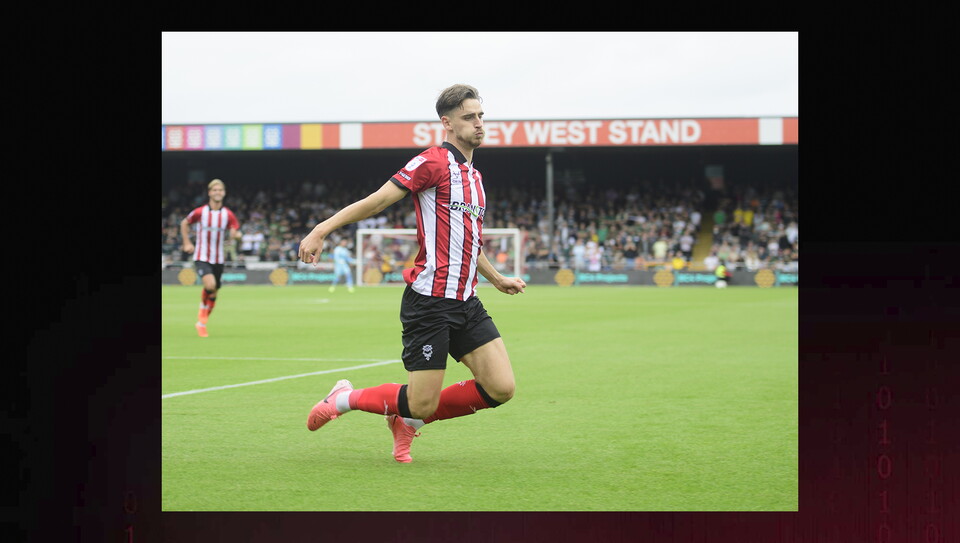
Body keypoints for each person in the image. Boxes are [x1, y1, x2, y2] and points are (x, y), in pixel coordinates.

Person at [298, 84, 527, 463]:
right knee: (421, 400)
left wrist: (496, 277)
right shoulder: (432, 162)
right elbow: (377, 201)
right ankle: (343, 398)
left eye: (481, 115)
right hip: (430, 302)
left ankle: (408, 423)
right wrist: (322, 229)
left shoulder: (475, 178)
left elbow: (468, 242)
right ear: (447, 122)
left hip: (466, 300)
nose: (479, 123)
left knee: (501, 388)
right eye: (469, 117)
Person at [180, 179, 242, 337]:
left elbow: (235, 231)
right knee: (210, 285)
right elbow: (184, 223)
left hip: (219, 258)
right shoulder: (200, 212)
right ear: (209, 192)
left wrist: (237, 236)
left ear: (224, 193)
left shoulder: (228, 214)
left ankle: (201, 323)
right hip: (202, 256)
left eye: (220, 190)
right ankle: (201, 316)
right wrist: (187, 242)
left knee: (213, 293)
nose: (217, 193)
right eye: (214, 190)